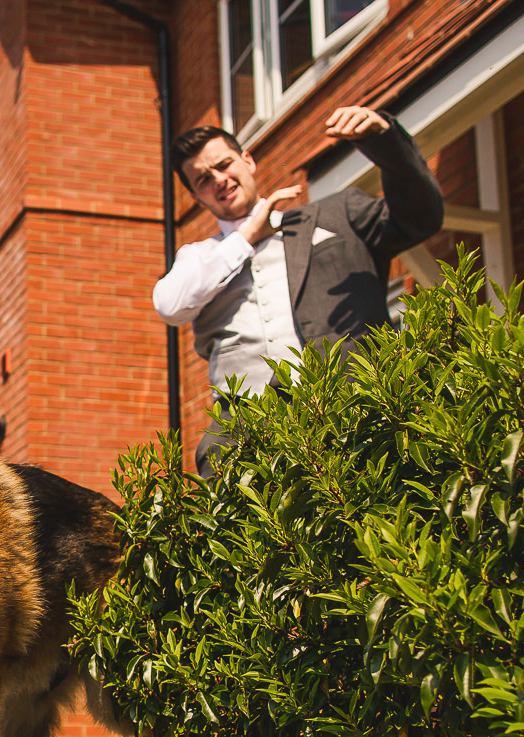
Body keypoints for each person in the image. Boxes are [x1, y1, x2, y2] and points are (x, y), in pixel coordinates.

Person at [153, 106, 443, 473]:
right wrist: (246, 237)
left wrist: (384, 139)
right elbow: (170, 305)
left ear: (248, 160)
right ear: (197, 198)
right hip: (245, 441)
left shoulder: (338, 214)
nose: (219, 179)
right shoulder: (201, 258)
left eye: (224, 165)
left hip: (353, 417)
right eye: (203, 179)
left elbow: (421, 218)